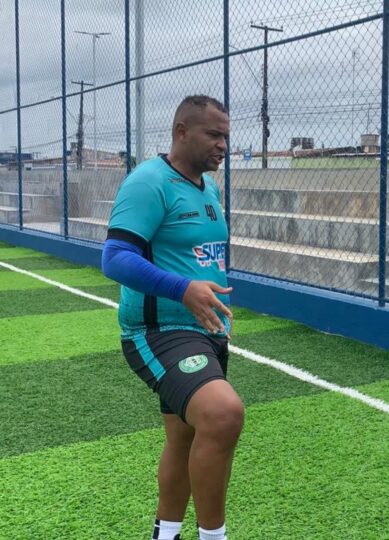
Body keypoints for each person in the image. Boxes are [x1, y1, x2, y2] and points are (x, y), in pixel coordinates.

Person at [101, 95, 243, 540]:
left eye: (226, 136)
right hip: (157, 331)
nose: (223, 145)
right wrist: (182, 289)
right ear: (181, 131)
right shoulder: (149, 182)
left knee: (184, 437)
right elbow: (115, 258)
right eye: (213, 135)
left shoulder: (209, 188)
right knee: (223, 414)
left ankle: (165, 535)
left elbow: (198, 255)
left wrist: (204, 291)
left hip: (206, 331)